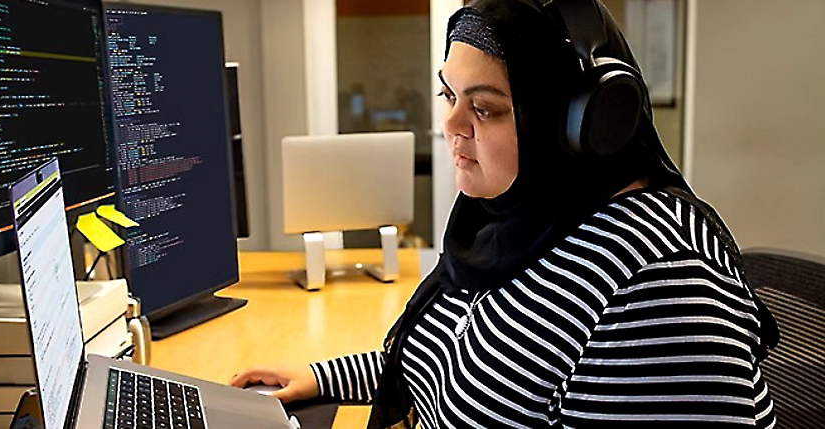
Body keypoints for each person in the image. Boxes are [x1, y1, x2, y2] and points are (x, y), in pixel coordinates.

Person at [231, 0, 778, 427]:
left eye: (486, 108)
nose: (451, 124)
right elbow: (450, 354)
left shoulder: (658, 288)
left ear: (575, 123)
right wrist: (322, 377)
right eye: (449, 94)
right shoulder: (509, 223)